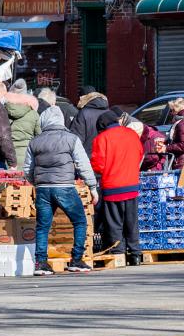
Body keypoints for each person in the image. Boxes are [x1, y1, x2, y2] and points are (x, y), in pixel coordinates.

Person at [23, 106, 98, 274]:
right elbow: (83, 164)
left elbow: (28, 169)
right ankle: (76, 260)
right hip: (65, 187)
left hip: (43, 189)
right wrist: (92, 187)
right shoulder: (71, 139)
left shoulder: (35, 141)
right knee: (79, 222)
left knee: (42, 226)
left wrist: (36, 183)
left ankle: (40, 263)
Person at [91, 110, 144, 264]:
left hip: (112, 186)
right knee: (132, 221)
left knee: (114, 223)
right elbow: (140, 154)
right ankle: (135, 254)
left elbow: (98, 165)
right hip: (132, 184)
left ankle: (118, 253)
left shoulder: (101, 139)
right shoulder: (132, 134)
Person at [4, 86, 41, 167]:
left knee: (6, 179)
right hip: (27, 155)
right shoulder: (33, 114)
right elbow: (39, 137)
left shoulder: (2, 112)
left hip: (7, 155)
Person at [71, 91, 111, 157]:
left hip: (88, 157)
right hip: (106, 156)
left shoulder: (83, 113)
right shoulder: (109, 113)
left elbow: (77, 139)